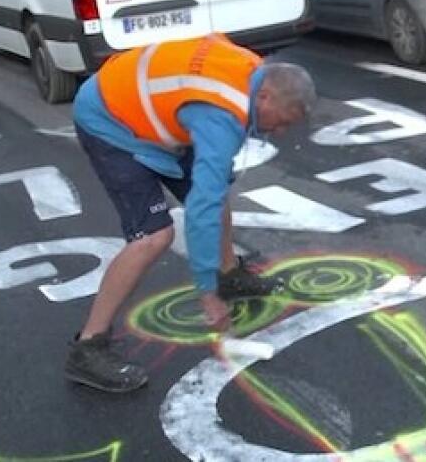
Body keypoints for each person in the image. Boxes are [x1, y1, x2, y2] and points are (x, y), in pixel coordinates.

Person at [65, 33, 316, 392]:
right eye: (283, 121)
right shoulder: (222, 116)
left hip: (157, 110)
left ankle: (229, 275)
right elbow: (200, 209)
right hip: (111, 120)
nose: (279, 132)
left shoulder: (252, 71)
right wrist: (205, 293)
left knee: (216, 190)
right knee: (154, 237)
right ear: (265, 96)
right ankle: (88, 346)